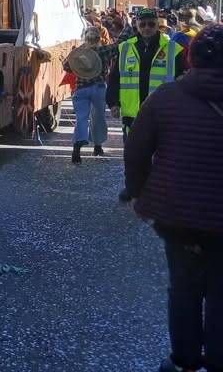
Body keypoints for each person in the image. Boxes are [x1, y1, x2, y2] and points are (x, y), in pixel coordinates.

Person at [123, 24, 223, 372]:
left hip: (178, 216)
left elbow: (136, 151)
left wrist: (137, 192)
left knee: (184, 289)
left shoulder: (165, 97)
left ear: (191, 58)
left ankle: (184, 361)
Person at [108, 7, 187, 199]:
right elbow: (115, 77)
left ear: (157, 25)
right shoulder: (125, 47)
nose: (146, 28)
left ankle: (157, 190)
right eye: (142, 24)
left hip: (161, 112)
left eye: (151, 24)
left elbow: (182, 79)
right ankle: (132, 188)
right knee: (132, 154)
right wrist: (113, 102)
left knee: (161, 154)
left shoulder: (172, 49)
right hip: (131, 111)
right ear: (136, 25)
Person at [64, 26, 120, 162]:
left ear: (85, 38)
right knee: (98, 117)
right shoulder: (103, 50)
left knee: (81, 117)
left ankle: (78, 144)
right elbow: (118, 46)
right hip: (98, 88)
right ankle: (98, 145)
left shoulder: (77, 53)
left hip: (80, 89)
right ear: (99, 38)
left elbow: (66, 66)